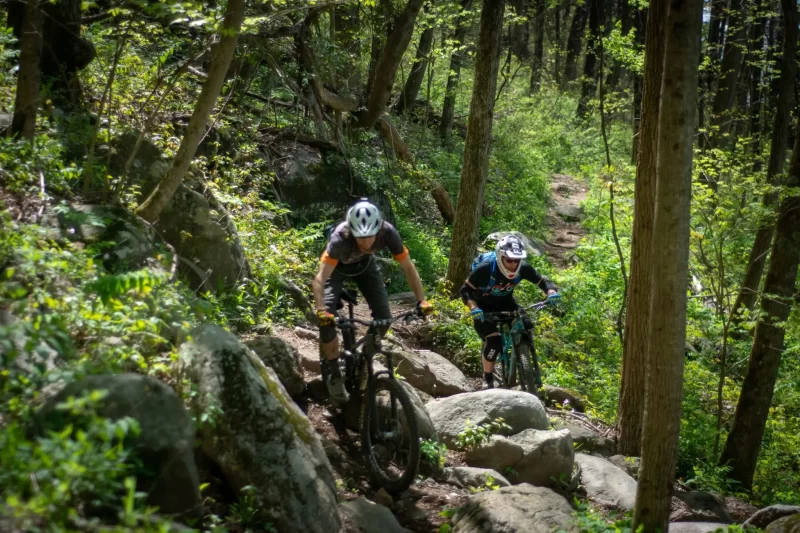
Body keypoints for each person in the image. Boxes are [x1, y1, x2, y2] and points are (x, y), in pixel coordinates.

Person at [313, 199, 433, 404]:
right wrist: (322, 310)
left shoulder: (388, 233)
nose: (366, 242)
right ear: (352, 231)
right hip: (336, 269)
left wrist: (422, 300)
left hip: (365, 266)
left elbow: (408, 267)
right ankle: (333, 371)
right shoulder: (340, 238)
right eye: (361, 237)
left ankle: (364, 357)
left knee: (384, 317)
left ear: (378, 229)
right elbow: (320, 279)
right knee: (326, 321)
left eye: (370, 236)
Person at [459, 234, 559, 389]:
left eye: (516, 260)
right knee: (494, 343)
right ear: (500, 257)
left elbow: (542, 280)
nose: (513, 264)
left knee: (526, 325)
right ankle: (488, 377)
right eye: (509, 260)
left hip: (506, 303)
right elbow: (465, 291)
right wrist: (474, 308)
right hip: (483, 308)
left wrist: (551, 292)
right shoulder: (485, 268)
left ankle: (524, 359)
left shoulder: (523, 268)